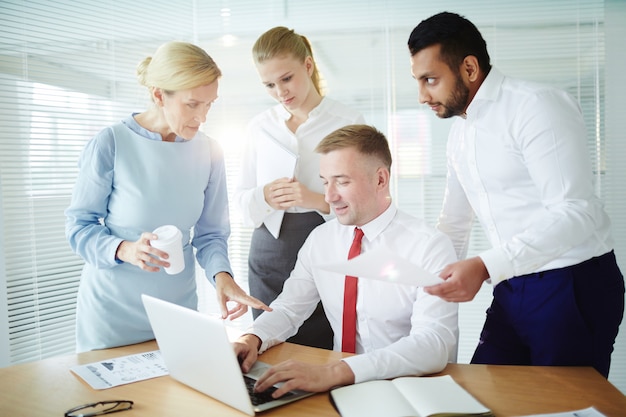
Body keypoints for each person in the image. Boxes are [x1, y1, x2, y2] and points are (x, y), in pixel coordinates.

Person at [408, 12, 624, 377]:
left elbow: (577, 211)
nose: (421, 96)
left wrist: (484, 266)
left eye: (430, 80)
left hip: (572, 282)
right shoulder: (459, 133)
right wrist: (420, 277)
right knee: (484, 395)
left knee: (560, 407)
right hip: (513, 285)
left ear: (470, 68)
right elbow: (455, 223)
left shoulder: (536, 105)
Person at [65, 41, 270, 353]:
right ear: (159, 94)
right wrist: (125, 249)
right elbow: (79, 226)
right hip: (111, 313)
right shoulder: (111, 143)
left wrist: (223, 277)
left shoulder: (209, 151)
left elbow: (211, 233)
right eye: (192, 104)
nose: (202, 118)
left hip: (177, 311)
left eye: (209, 104)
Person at [234, 124, 458, 396]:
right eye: (325, 182)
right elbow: (289, 308)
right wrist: (252, 337)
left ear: (380, 180)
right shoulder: (321, 239)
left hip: (408, 389)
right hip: (341, 390)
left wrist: (336, 372)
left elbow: (433, 343)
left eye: (342, 181)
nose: (329, 196)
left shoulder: (429, 246)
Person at [234, 26, 365, 350]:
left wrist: (314, 199)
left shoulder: (347, 121)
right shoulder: (259, 127)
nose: (280, 91)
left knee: (321, 347)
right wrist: (263, 196)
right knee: (265, 343)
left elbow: (366, 204)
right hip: (267, 250)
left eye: (287, 78)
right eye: (269, 84)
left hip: (326, 245)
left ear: (308, 66)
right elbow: (238, 203)